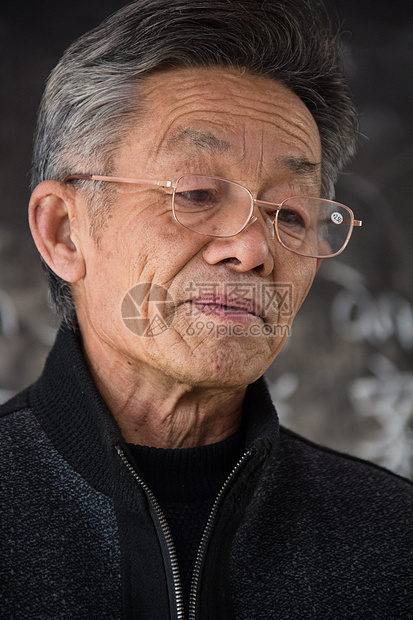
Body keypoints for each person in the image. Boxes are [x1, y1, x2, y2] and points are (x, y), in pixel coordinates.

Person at [1, 0, 412, 617]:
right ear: (63, 230)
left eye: (291, 214)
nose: (253, 249)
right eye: (195, 193)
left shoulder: (392, 540)